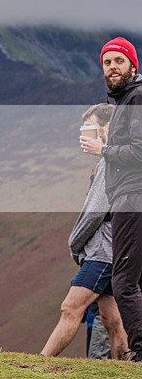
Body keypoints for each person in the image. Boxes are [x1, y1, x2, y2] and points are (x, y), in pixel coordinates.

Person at [40, 103, 128, 358]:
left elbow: (95, 213)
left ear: (107, 128)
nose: (84, 134)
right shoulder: (114, 162)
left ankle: (39, 364)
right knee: (111, 319)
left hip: (102, 253)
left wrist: (74, 244)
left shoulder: (109, 164)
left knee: (71, 307)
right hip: (113, 250)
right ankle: (124, 371)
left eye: (89, 128)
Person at [81, 37, 142, 362]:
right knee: (130, 280)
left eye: (119, 61)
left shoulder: (135, 98)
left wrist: (102, 150)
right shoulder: (126, 101)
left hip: (133, 197)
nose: (112, 67)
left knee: (124, 281)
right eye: (107, 62)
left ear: (133, 65)